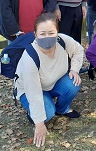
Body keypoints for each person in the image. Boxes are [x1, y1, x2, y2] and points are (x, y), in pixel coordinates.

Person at [15, 12, 84, 148]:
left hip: (52, 83)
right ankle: (35, 114)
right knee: (47, 114)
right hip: (31, 90)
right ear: (35, 34)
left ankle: (62, 109)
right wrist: (39, 124)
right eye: (42, 33)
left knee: (73, 83)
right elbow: (34, 94)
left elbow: (78, 50)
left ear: (57, 32)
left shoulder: (63, 41)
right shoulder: (30, 58)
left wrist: (74, 69)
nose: (47, 37)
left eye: (51, 33)